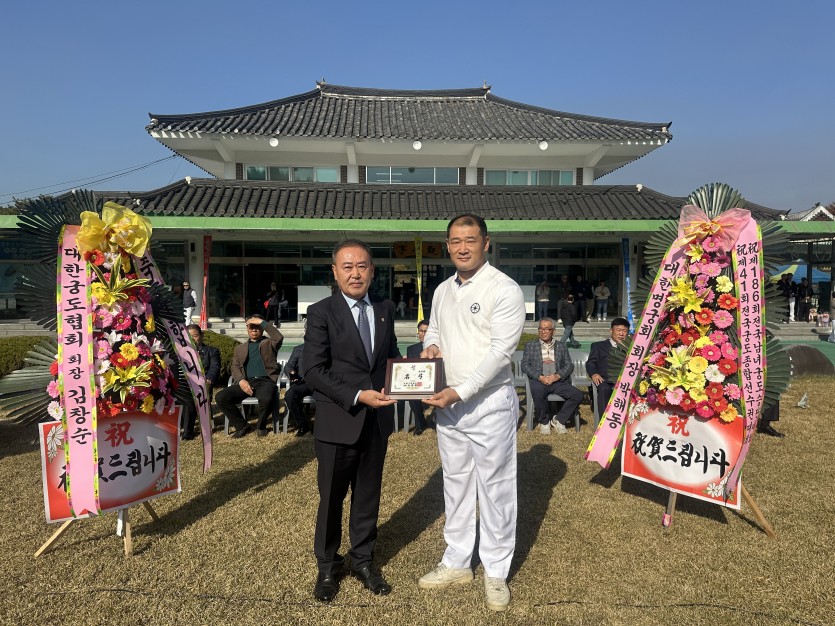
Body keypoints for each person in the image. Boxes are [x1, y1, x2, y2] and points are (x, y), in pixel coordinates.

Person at [418, 214, 525, 613]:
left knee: (496, 488)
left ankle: (496, 570)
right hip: (449, 406)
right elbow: (434, 330)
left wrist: (461, 391)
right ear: (447, 245)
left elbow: (500, 353)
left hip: (488, 404)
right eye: (455, 241)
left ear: (486, 243)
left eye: (470, 240)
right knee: (456, 483)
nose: (462, 248)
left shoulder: (504, 289)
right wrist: (431, 347)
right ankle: (457, 561)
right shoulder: (443, 289)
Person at [303, 239, 400, 603]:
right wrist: (358, 395)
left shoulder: (385, 308)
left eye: (362, 266)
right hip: (338, 421)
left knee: (368, 496)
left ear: (372, 270)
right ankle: (328, 566)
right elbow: (313, 369)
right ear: (335, 272)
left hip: (376, 422)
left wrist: (412, 375)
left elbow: (390, 358)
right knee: (331, 498)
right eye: (347, 266)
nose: (355, 273)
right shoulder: (321, 312)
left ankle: (363, 560)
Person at [215, 314, 283, 438]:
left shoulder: (270, 343)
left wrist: (261, 321)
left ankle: (261, 426)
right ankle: (242, 426)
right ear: (247, 329)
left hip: (266, 381)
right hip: (246, 382)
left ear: (262, 328)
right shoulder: (239, 348)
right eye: (251, 327)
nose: (254, 329)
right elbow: (235, 366)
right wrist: (241, 380)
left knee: (267, 399)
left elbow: (278, 336)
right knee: (221, 397)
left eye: (257, 326)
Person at [521, 317, 583, 435]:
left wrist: (558, 376)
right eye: (540, 329)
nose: (543, 332)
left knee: (577, 395)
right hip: (540, 380)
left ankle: (559, 419)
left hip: (557, 381)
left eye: (546, 329)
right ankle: (544, 421)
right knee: (538, 391)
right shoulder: (530, 345)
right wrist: (540, 377)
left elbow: (569, 365)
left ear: (553, 331)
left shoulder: (561, 346)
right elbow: (525, 365)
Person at [181, 324, 221, 440]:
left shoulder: (212, 351)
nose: (192, 339)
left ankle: (188, 432)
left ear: (201, 335)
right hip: (183, 385)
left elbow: (214, 367)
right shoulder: (179, 353)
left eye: (195, 336)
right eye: (189, 337)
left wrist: (208, 379)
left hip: (201, 385)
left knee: (189, 399)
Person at [586, 317, 630, 421]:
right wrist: (594, 374)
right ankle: (604, 421)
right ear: (611, 330)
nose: (621, 333)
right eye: (618, 330)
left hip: (625, 381)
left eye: (624, 331)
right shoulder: (598, 346)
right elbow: (590, 363)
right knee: (604, 389)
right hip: (605, 380)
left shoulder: (631, 348)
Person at [406, 320, 431, 435]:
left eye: (426, 331)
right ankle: (421, 424)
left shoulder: (440, 348)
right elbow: (411, 370)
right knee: (412, 395)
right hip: (418, 382)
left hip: (435, 382)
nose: (423, 334)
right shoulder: (411, 349)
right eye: (421, 331)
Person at [283, 341, 312, 436]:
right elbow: (288, 366)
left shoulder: (326, 348)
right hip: (304, 383)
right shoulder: (299, 349)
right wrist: (291, 372)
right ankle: (302, 424)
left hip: (322, 383)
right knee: (290, 395)